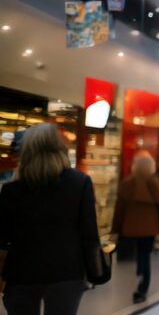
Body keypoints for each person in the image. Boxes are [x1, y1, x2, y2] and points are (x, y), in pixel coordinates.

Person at [0, 123, 101, 315]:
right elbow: (89, 234)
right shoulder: (80, 183)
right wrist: (95, 272)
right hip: (67, 271)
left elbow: (2, 237)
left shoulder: (11, 190)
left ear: (26, 151)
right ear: (61, 148)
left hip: (21, 273)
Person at [111, 151, 159, 304]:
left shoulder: (126, 184)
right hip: (150, 229)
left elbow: (119, 209)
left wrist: (115, 230)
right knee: (145, 257)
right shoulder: (155, 183)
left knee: (129, 259)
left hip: (129, 229)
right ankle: (142, 288)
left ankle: (132, 284)